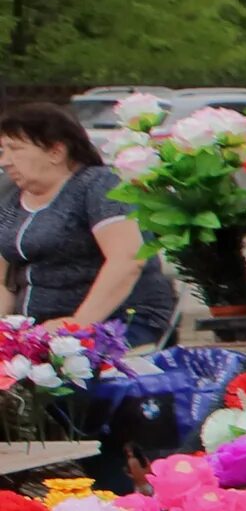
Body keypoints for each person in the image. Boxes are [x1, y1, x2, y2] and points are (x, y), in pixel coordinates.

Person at [0, 103, 178, 347]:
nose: (6, 161)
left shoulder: (98, 185)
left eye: (15, 149)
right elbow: (3, 283)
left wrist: (78, 324)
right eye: (3, 151)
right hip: (38, 330)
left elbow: (127, 259)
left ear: (56, 152)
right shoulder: (10, 201)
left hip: (116, 324)